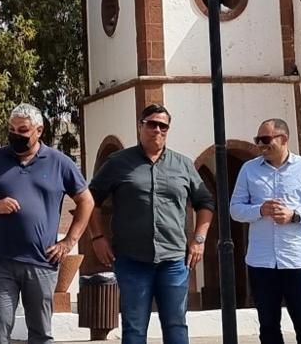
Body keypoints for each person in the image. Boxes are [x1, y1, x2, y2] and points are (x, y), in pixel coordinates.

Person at [0, 104, 95, 344]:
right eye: (11, 129)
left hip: (41, 262)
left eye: (23, 130)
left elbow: (86, 201)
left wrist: (69, 241)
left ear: (39, 130)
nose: (16, 135)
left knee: (40, 333)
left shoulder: (60, 162)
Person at [88, 104, 214, 344]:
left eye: (163, 125)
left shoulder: (183, 164)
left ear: (168, 129)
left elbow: (205, 203)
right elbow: (90, 201)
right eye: (151, 124)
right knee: (134, 329)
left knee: (176, 325)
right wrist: (97, 237)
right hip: (132, 260)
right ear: (140, 126)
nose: (157, 129)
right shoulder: (118, 162)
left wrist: (199, 240)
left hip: (174, 260)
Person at [230, 118, 301, 344]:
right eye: (258, 140)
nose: (260, 145)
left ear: (283, 139)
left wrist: (295, 215)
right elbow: (235, 209)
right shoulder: (249, 169)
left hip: (295, 259)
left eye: (265, 140)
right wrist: (260, 210)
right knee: (268, 327)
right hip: (261, 261)